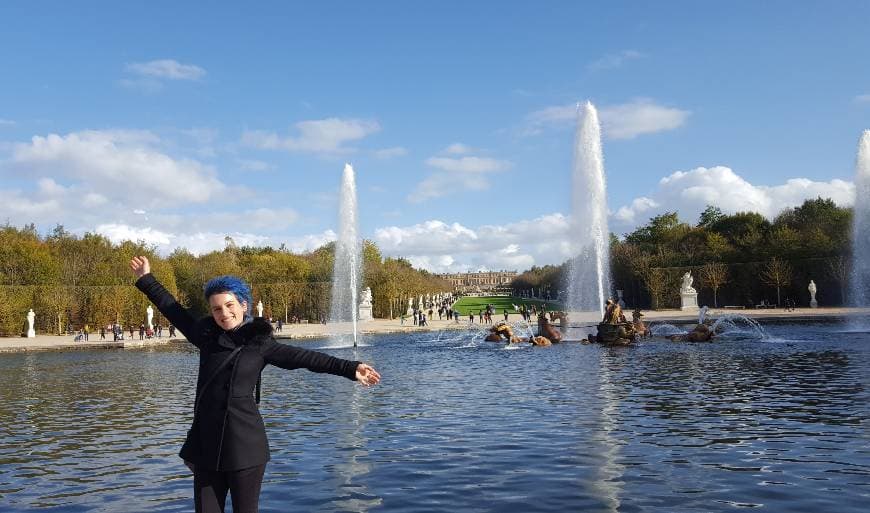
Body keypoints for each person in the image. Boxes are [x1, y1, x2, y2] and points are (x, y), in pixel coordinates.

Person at [129, 255, 380, 513]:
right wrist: (147, 279)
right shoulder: (205, 337)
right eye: (217, 308)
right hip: (206, 446)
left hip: (245, 447)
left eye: (229, 305)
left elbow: (304, 358)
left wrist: (350, 368)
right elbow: (173, 309)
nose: (224, 313)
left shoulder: (260, 345)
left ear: (243, 305)